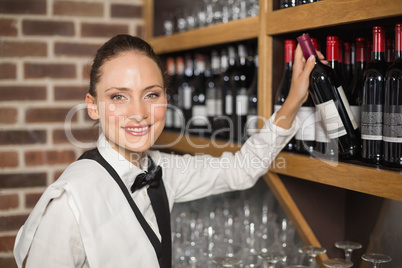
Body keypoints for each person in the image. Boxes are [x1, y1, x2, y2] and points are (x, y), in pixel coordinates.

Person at [14, 34, 319, 267]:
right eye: (119, 97)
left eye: (151, 94)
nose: (139, 113)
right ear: (93, 106)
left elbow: (241, 169)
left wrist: (293, 101)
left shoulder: (162, 170)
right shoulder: (70, 202)